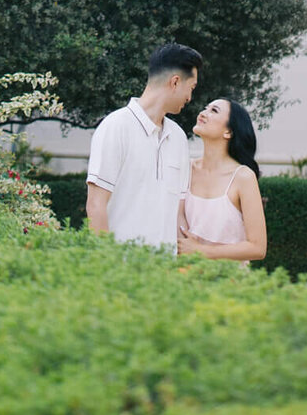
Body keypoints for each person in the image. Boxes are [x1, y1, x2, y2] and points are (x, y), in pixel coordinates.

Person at [85, 42, 202, 249]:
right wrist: (104, 264)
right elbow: (96, 205)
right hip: (121, 269)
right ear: (175, 82)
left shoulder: (178, 138)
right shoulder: (116, 126)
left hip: (164, 271)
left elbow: (178, 212)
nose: (190, 98)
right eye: (191, 88)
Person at [177, 96, 267, 262]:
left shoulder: (243, 177)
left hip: (229, 282)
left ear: (229, 132)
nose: (203, 113)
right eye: (206, 108)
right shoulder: (185, 169)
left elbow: (257, 248)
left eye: (214, 111)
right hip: (186, 278)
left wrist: (201, 251)